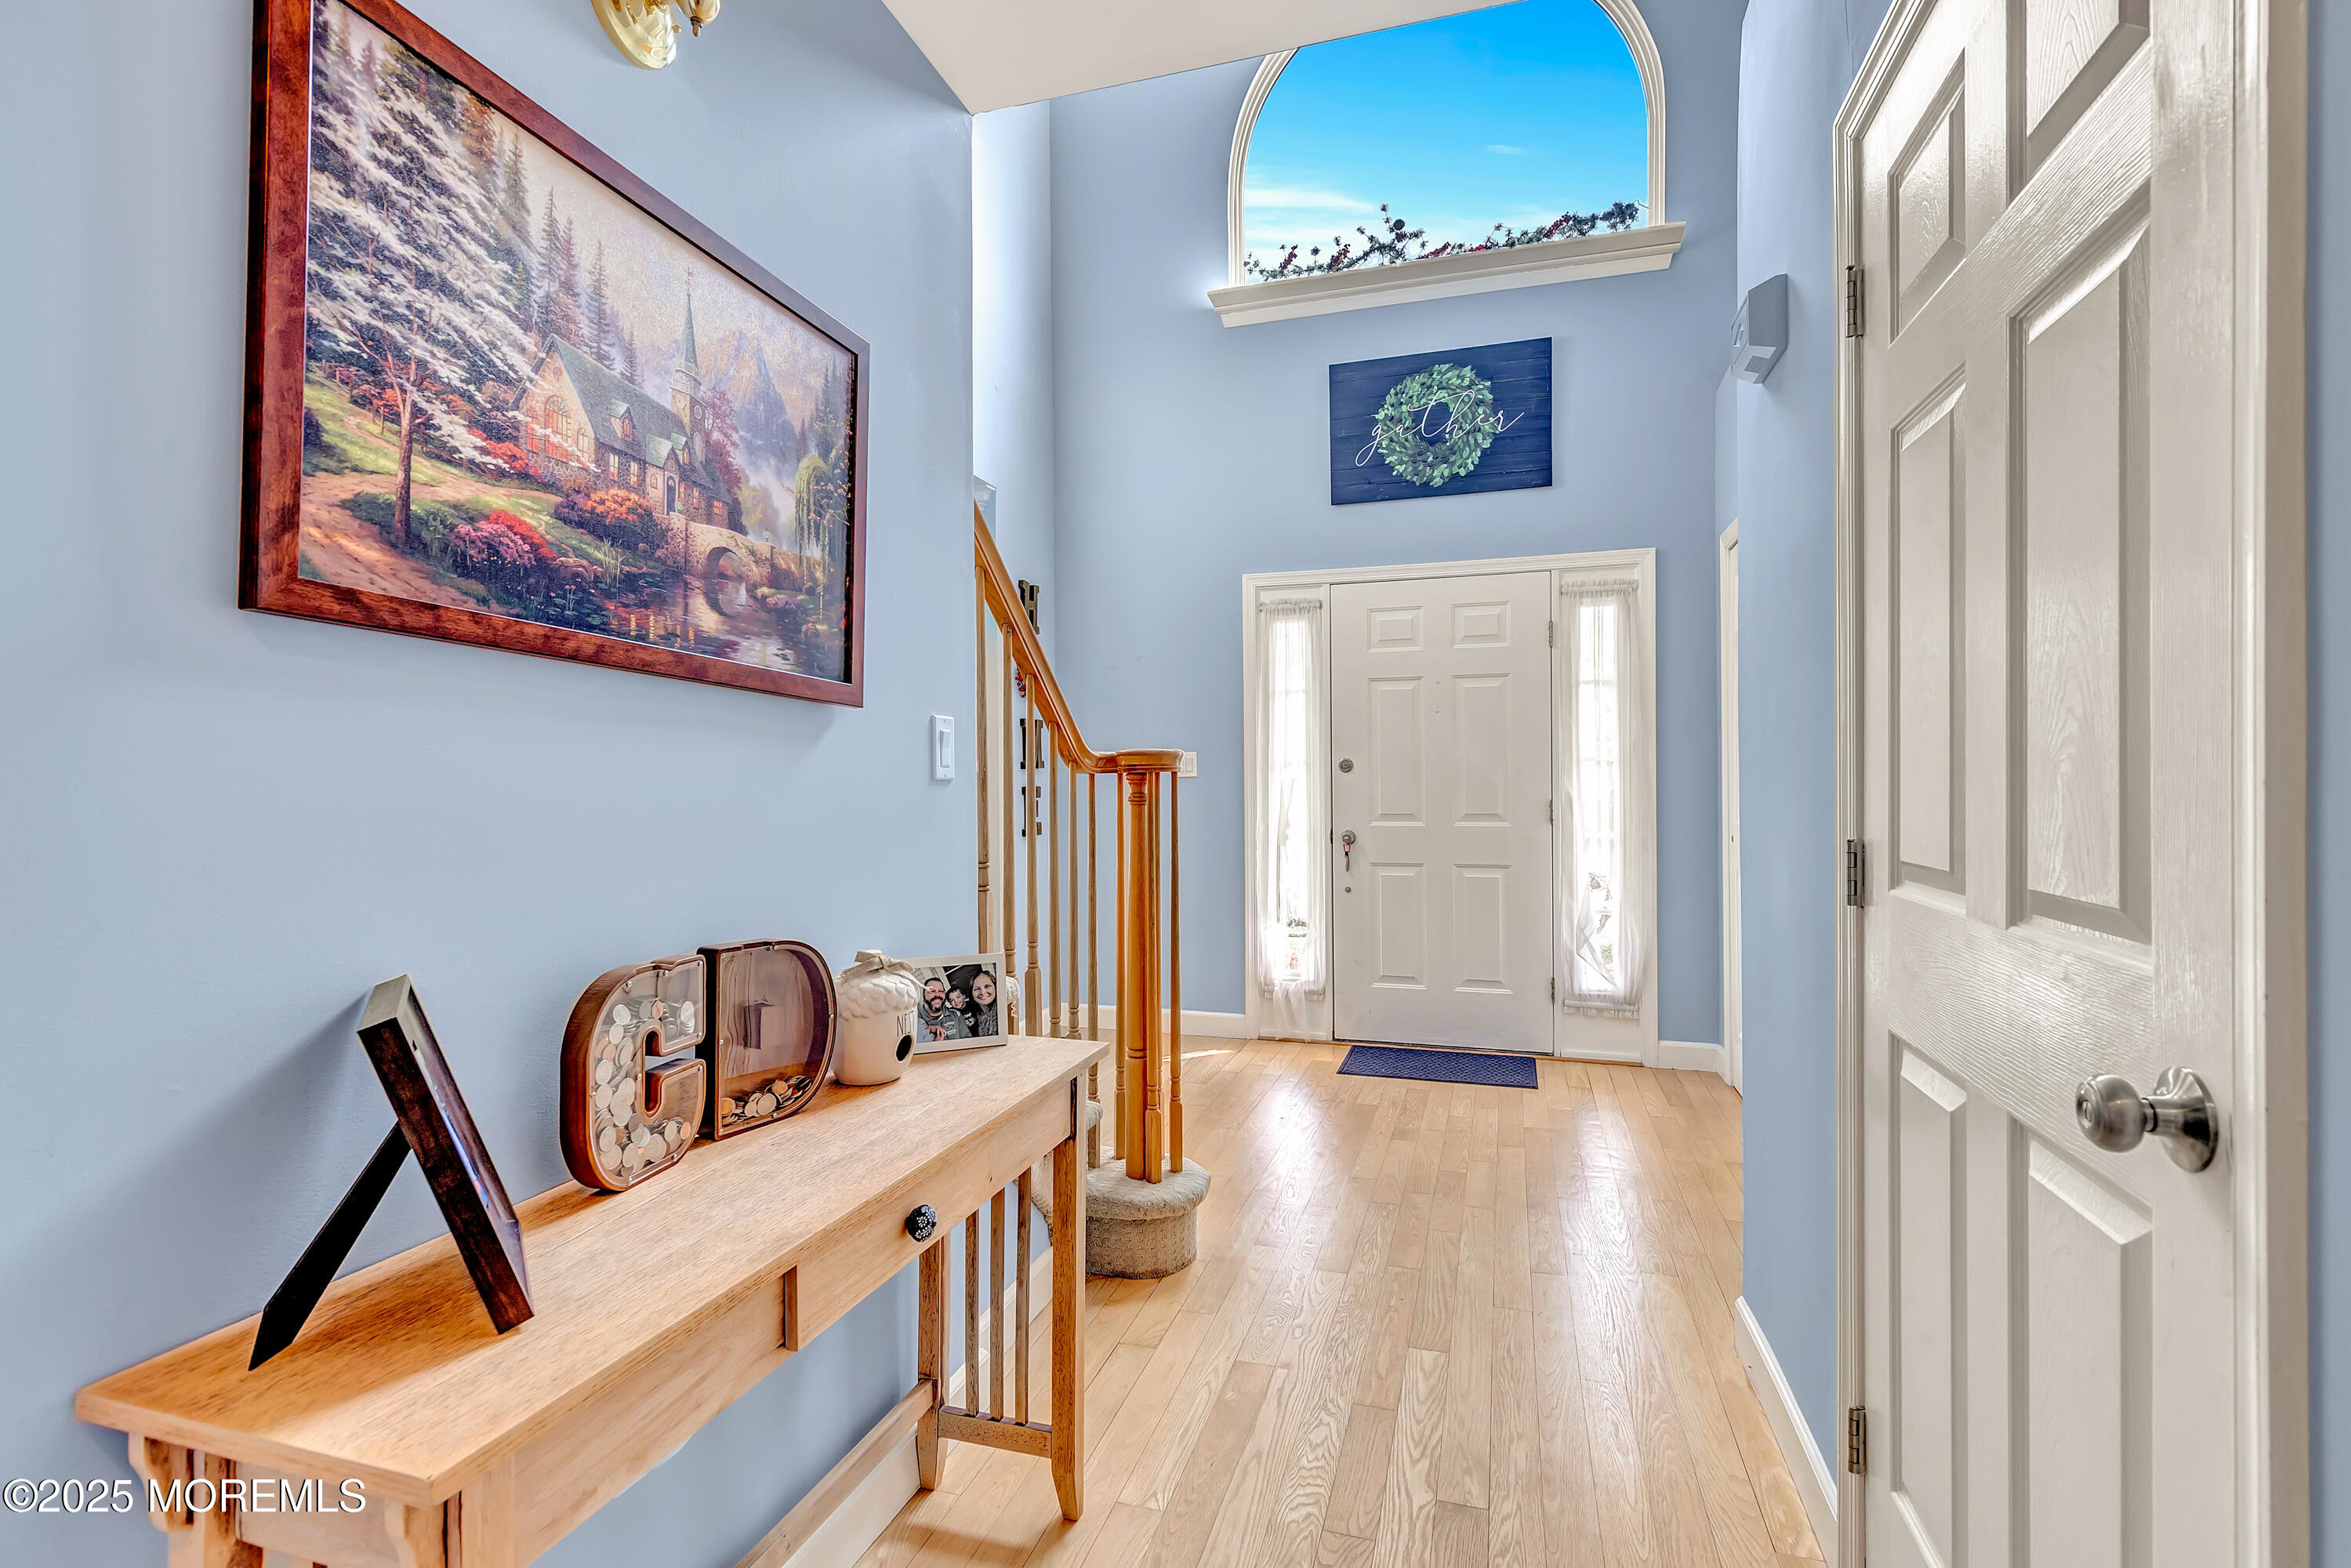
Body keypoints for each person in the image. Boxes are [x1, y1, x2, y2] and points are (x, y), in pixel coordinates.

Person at [915, 975, 968, 1043]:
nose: (937, 995)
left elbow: (967, 1041)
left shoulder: (956, 1015)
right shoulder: (915, 1019)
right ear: (923, 995)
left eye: (941, 991)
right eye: (932, 991)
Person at [963, 968, 1000, 1037]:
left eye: (987, 986)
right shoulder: (977, 1014)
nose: (982, 992)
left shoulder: (1000, 1009)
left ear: (996, 987)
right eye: (977, 989)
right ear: (972, 993)